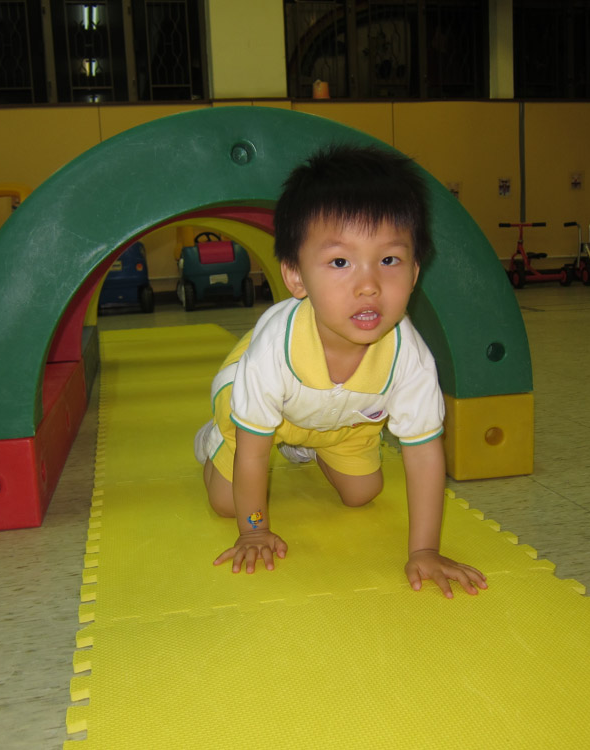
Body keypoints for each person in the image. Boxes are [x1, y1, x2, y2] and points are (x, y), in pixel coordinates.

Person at [193, 144, 487, 599]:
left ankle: (309, 449)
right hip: (260, 410)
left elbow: (425, 454)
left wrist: (424, 550)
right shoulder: (273, 351)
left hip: (343, 420)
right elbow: (253, 455)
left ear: (414, 273)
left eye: (389, 260)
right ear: (296, 277)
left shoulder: (410, 357)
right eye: (340, 262)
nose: (368, 285)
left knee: (363, 493)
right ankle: (214, 439)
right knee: (226, 503)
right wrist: (255, 531)